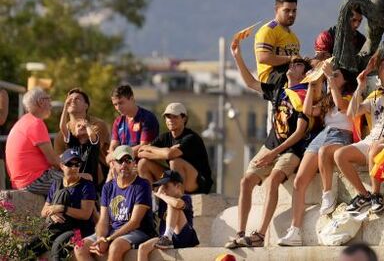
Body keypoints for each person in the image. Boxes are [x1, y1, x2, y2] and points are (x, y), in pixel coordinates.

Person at [227, 35, 310, 249]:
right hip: (271, 144)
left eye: (298, 63)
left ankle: (260, 235)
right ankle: (240, 233)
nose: (292, 64)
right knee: (246, 181)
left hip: (291, 149)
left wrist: (274, 154)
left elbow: (300, 132)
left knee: (273, 179)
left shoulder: (305, 95)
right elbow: (250, 82)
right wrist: (237, 56)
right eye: (292, 62)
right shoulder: (279, 89)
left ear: (305, 72)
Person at [277, 62, 357, 246]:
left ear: (345, 81)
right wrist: (312, 85)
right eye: (332, 75)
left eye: (337, 75)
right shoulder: (328, 99)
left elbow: (342, 107)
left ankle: (327, 193)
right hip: (323, 135)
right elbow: (307, 111)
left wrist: (328, 78)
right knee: (299, 181)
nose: (333, 77)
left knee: (324, 152)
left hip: (341, 135)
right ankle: (294, 231)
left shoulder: (352, 96)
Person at [335, 55, 384, 215]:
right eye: (381, 64)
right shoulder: (375, 95)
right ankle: (364, 195)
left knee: (374, 150)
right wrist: (360, 86)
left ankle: (377, 195)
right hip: (371, 139)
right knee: (339, 155)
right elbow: (351, 113)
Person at [76, 145, 158, 261]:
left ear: (134, 163)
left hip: (139, 231)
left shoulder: (142, 185)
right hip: (113, 230)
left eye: (128, 160)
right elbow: (103, 220)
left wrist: (109, 239)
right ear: (113, 164)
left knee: (115, 246)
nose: (124, 164)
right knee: (80, 247)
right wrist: (101, 238)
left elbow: (135, 222)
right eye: (120, 161)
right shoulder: (108, 187)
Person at [26, 149, 98, 258]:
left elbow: (85, 214)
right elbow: (43, 212)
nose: (74, 168)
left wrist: (62, 208)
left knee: (58, 249)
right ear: (62, 166)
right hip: (57, 229)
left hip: (80, 232)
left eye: (77, 164)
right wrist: (52, 213)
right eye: (70, 164)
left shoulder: (86, 186)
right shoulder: (56, 184)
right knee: (29, 248)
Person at [135, 102, 214, 195]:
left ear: (184, 119)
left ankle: (178, 200)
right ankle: (151, 201)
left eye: (175, 117)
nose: (171, 120)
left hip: (198, 183)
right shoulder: (164, 137)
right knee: (143, 163)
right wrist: (162, 151)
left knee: (175, 161)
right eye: (168, 117)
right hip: (176, 177)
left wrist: (156, 150)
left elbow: (170, 155)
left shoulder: (191, 137)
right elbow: (140, 153)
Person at [5, 87, 61, 194]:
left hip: (20, 182)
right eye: (48, 98)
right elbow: (53, 161)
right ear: (41, 102)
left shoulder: (23, 121)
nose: (51, 104)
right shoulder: (36, 123)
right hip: (33, 181)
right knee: (80, 181)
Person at [136, 169, 199, 259]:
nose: (163, 190)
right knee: (143, 248)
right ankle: (166, 238)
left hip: (183, 236)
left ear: (177, 186)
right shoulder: (163, 202)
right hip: (164, 239)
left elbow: (177, 204)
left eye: (166, 186)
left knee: (173, 204)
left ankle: (167, 237)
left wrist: (161, 195)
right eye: (161, 186)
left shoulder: (185, 198)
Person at [57, 88, 111, 184]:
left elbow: (93, 139)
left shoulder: (97, 125)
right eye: (70, 99)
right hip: (74, 174)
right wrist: (65, 106)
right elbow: (59, 159)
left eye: (77, 98)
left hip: (96, 175)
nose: (72, 100)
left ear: (86, 105)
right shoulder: (64, 135)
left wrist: (87, 125)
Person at [254, 0, 301, 86]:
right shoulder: (268, 30)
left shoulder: (293, 36)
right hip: (274, 83)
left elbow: (295, 59)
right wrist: (290, 58)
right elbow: (262, 58)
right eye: (287, 10)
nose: (291, 14)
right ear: (276, 10)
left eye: (294, 11)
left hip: (289, 82)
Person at [108, 84, 159, 158]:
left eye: (121, 103)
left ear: (132, 99)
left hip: (142, 163)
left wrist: (118, 155)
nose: (118, 107)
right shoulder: (118, 121)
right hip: (122, 162)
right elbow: (112, 147)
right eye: (115, 104)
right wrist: (114, 157)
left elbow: (144, 147)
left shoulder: (147, 118)